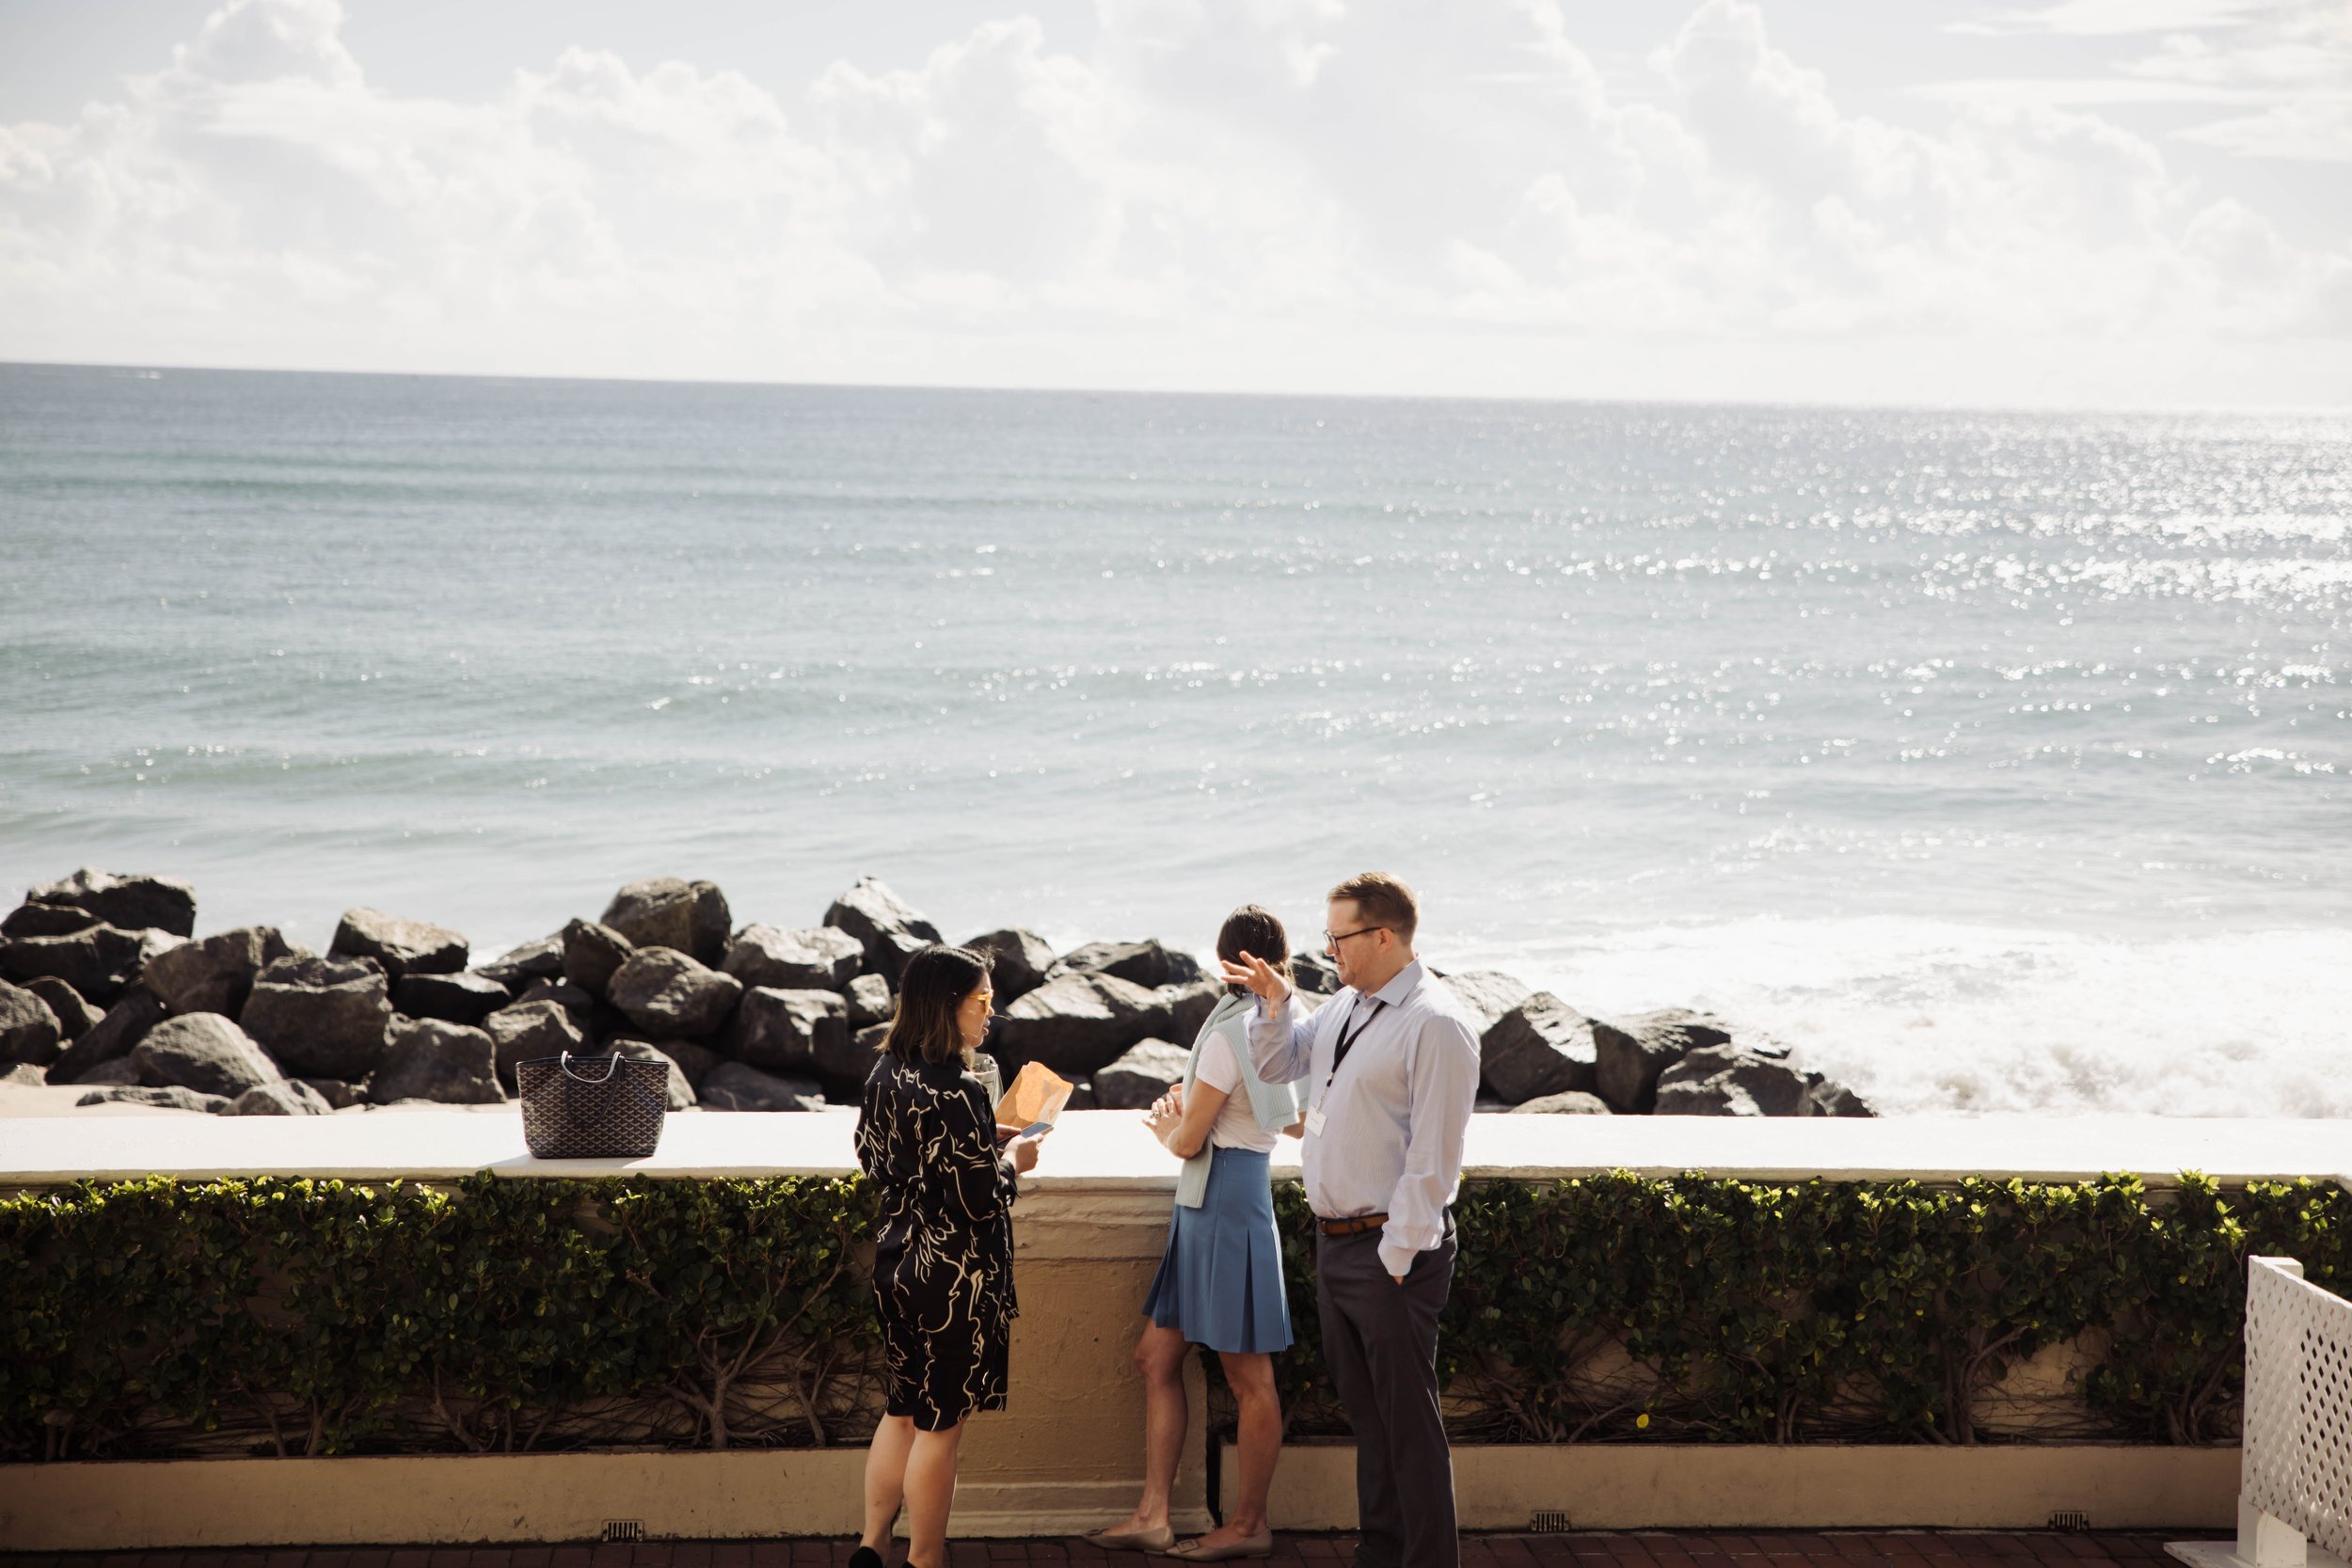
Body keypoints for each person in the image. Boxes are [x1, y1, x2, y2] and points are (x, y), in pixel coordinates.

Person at [1222, 873, 1479, 1568]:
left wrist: (1395, 1258)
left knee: (1409, 1427)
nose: (1328, 948)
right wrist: (1274, 1000)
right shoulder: (1343, 1006)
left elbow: (1434, 1157)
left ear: (1384, 936)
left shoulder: (1436, 1022)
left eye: (1338, 937)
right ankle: (1381, 1552)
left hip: (1389, 1254)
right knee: (1371, 1422)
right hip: (1336, 1247)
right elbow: (1278, 1063)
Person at [1089, 906, 1307, 1561]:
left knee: (1249, 1378)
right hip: (1221, 1201)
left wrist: (1165, 1125)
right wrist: (1192, 1114)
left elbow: (1187, 1140)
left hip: (1222, 1203)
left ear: (1224, 963)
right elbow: (1274, 1118)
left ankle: (1248, 1523)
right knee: (1156, 1357)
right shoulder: (1277, 1026)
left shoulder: (1228, 1033)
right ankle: (1155, 1514)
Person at [851, 944, 1044, 1568]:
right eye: (982, 1000)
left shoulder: (884, 1072)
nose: (992, 1012)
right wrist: (1014, 1159)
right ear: (948, 1005)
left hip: (896, 1263)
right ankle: (926, 1557)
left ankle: (872, 1545)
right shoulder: (958, 1090)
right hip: (953, 1279)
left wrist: (973, 1145)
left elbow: (874, 1156)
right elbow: (980, 1197)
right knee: (941, 1425)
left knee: (901, 1408)